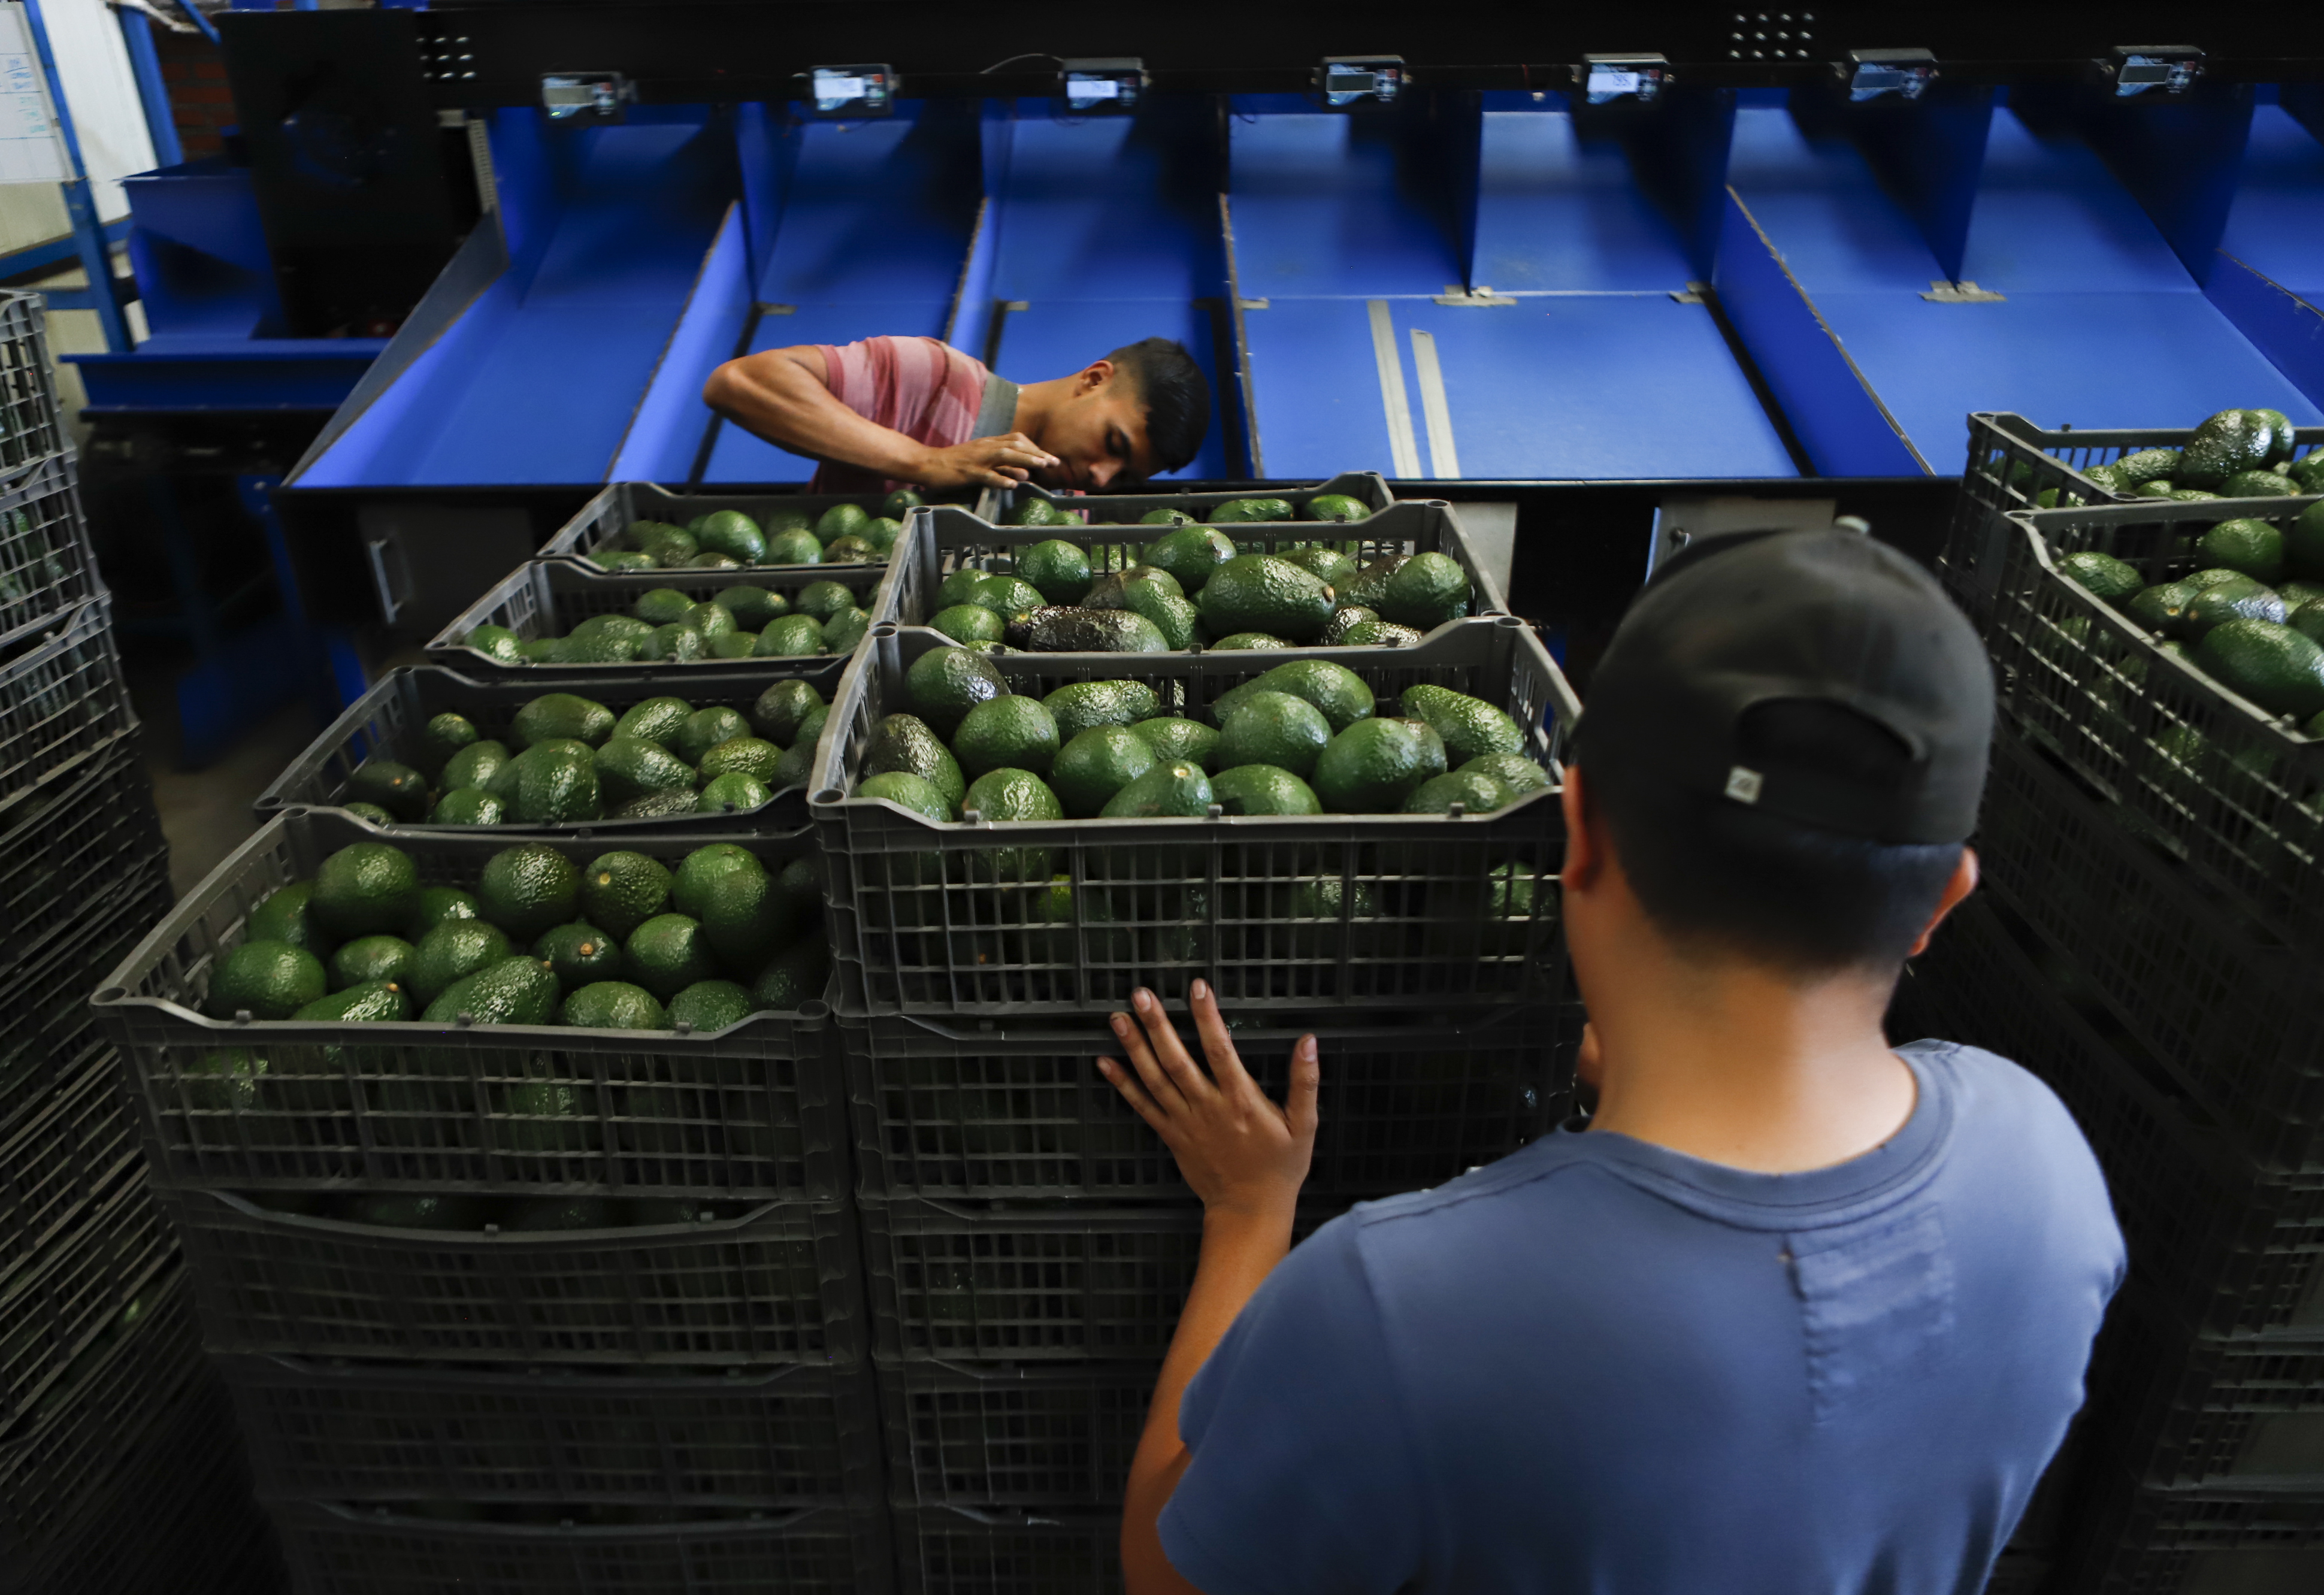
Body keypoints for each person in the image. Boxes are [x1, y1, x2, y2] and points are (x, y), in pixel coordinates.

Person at [1095, 529, 2126, 1595]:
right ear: (1940, 902)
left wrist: (1248, 1213)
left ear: (1575, 835)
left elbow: (1165, 1573)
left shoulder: (1398, 1303)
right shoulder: (2044, 1159)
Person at [701, 333, 1211, 495]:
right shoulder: (937, 375)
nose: (1101, 477)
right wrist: (925, 462)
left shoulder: (1067, 507)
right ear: (1094, 379)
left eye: (1123, 476)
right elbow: (740, 383)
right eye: (1113, 445)